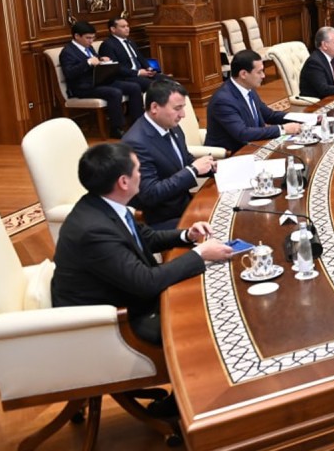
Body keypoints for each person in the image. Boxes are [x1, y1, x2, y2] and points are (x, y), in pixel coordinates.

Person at [51, 142, 234, 345]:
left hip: (132, 295)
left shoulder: (104, 203)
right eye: (139, 170)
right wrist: (200, 254)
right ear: (123, 182)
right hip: (116, 321)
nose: (142, 175)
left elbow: (147, 237)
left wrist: (187, 235)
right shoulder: (93, 231)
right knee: (210, 324)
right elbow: (145, 282)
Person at [122, 79, 216, 230]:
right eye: (177, 108)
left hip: (184, 205)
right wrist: (193, 170)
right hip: (162, 220)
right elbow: (150, 194)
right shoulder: (136, 143)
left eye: (183, 108)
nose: (183, 115)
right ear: (154, 107)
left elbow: (184, 159)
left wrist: (208, 167)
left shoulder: (171, 126)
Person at [58, 20, 144, 138]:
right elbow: (70, 73)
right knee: (114, 93)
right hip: (83, 87)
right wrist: (87, 62)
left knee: (134, 87)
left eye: (93, 38)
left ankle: (137, 123)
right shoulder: (68, 52)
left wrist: (101, 59)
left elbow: (95, 60)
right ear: (77, 36)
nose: (91, 41)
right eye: (88, 38)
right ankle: (116, 129)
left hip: (99, 81)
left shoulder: (89, 47)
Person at [205, 50, 302, 154]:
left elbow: (269, 115)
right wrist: (282, 129)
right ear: (243, 74)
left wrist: (303, 118)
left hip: (254, 147)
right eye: (259, 72)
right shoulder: (223, 100)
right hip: (232, 154)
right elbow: (242, 133)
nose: (263, 76)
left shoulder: (248, 89)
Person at [104, 16, 157, 90]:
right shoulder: (108, 44)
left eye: (127, 26)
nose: (127, 28)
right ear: (113, 29)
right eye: (123, 27)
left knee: (167, 80)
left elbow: (140, 57)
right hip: (127, 77)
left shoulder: (130, 41)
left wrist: (148, 68)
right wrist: (138, 73)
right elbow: (116, 67)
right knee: (154, 85)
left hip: (141, 72)